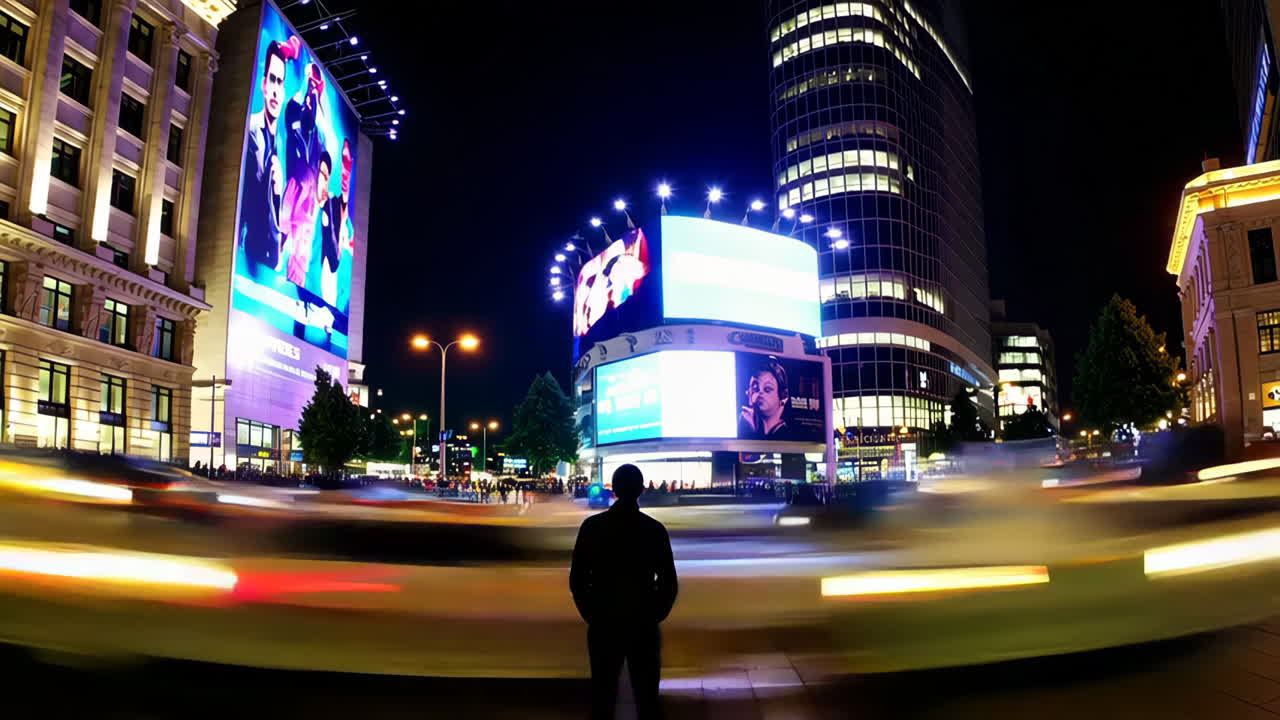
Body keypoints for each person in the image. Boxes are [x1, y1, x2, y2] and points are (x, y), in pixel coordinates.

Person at [570, 464, 677, 719]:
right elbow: (668, 582)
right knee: (647, 697)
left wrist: (592, 613)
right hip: (643, 621)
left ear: (613, 489)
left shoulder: (592, 527)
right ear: (641, 490)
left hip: (604, 621)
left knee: (603, 695)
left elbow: (578, 579)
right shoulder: (654, 530)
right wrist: (654, 614)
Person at [241, 38, 291, 269]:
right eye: (271, 79)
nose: (274, 89)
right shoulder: (250, 131)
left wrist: (279, 193)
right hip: (244, 259)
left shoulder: (280, 143)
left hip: (268, 263)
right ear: (263, 84)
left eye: (280, 82)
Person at [738, 358, 795, 440]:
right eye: (755, 388)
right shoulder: (743, 422)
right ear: (748, 393)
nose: (760, 393)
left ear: (783, 396)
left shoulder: (790, 435)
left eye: (767, 389)